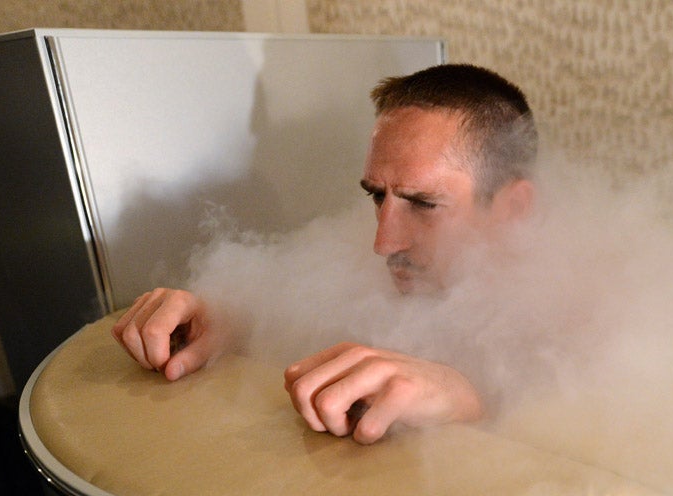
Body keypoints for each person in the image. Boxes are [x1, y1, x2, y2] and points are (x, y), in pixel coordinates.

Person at [112, 64, 538, 444]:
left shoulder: (578, 309)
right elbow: (297, 302)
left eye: (424, 204)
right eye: (376, 196)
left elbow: (584, 457)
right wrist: (224, 318)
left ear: (513, 209)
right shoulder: (354, 260)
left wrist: (470, 404)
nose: (383, 243)